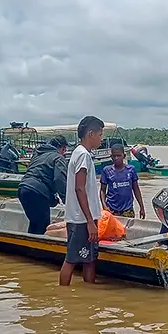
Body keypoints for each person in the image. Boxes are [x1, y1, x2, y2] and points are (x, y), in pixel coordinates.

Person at [60, 116, 105, 286]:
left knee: (89, 259)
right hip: (81, 219)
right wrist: (89, 221)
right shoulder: (83, 155)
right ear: (91, 134)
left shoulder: (81, 154)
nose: (101, 139)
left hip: (84, 217)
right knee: (72, 259)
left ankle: (88, 296)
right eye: (100, 135)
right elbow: (80, 188)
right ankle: (63, 294)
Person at [18, 135, 69, 234]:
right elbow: (59, 180)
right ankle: (38, 248)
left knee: (35, 223)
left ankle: (29, 245)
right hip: (38, 191)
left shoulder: (37, 155)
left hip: (23, 188)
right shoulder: (58, 158)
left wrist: (52, 198)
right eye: (64, 149)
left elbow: (41, 175)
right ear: (62, 148)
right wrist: (66, 199)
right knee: (42, 225)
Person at [100, 143, 145, 218]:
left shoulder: (131, 170)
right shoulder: (107, 170)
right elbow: (102, 190)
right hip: (111, 210)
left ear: (124, 156)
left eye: (119, 155)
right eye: (114, 156)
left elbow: (136, 189)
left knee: (128, 229)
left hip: (127, 210)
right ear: (111, 157)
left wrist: (142, 207)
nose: (116, 158)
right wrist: (104, 206)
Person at [46, 208, 127, 243]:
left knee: (72, 224)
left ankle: (51, 228)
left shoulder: (119, 227)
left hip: (102, 215)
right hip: (102, 226)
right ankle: (50, 231)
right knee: (70, 231)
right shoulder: (119, 233)